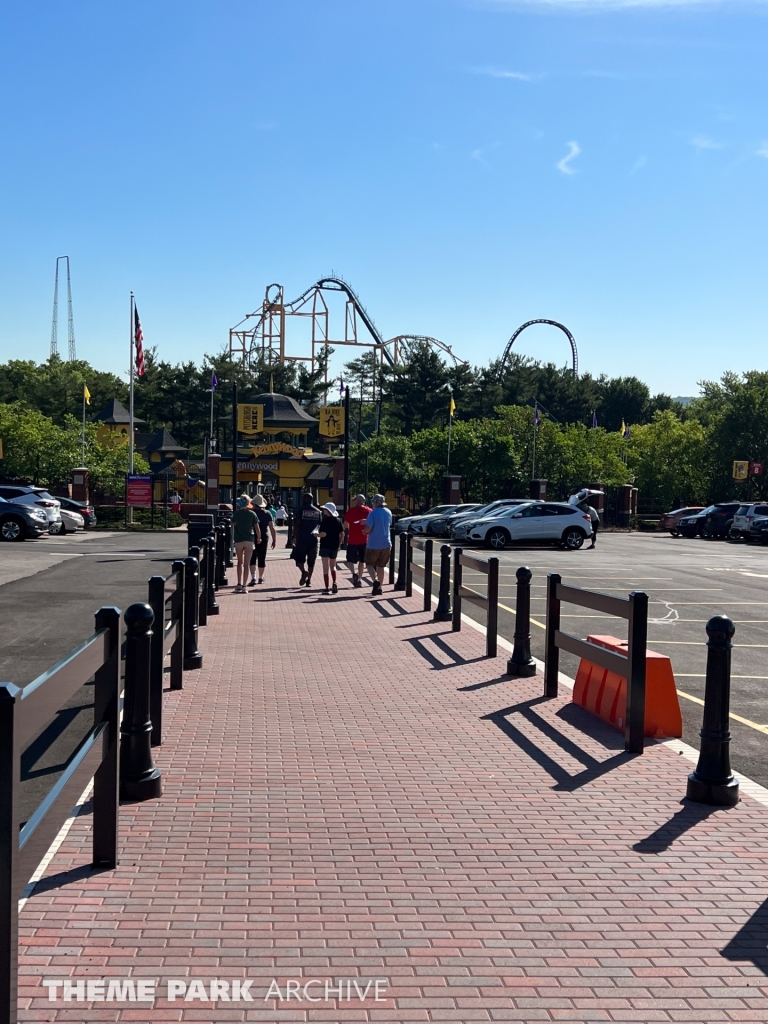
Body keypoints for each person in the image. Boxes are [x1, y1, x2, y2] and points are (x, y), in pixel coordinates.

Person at [363, 494, 393, 597]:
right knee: (381, 566)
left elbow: (368, 528)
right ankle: (380, 588)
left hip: (374, 544)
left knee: (369, 563)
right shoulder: (388, 512)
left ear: (376, 502)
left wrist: (364, 531)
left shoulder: (373, 513)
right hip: (386, 543)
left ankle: (375, 581)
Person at [292, 492, 322, 587]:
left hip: (302, 538)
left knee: (299, 558)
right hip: (313, 539)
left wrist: (294, 536)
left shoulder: (301, 509)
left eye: (303, 498)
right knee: (311, 560)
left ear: (307, 499)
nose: (301, 500)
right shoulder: (318, 511)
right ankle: (309, 580)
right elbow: (320, 525)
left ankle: (304, 572)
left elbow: (297, 523)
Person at [233, 495, 261, 593]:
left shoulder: (236, 514)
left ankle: (239, 584)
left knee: (239, 562)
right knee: (247, 564)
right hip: (249, 539)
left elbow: (232, 524)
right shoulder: (252, 514)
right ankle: (245, 586)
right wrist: (259, 538)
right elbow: (257, 528)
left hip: (239, 540)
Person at [342, 494, 371, 587]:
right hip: (364, 540)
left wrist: (351, 526)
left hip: (353, 540)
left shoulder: (351, 511)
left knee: (350, 560)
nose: (353, 502)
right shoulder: (369, 511)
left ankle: (354, 573)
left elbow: (345, 524)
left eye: (355, 500)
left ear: (357, 501)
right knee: (362, 561)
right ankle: (359, 579)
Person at [248, 494, 277, 585]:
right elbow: (272, 528)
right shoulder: (267, 513)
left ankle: (253, 577)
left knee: (252, 557)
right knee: (262, 557)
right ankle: (261, 577)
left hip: (252, 537)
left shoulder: (251, 513)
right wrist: (274, 540)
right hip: (264, 537)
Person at [318, 502, 344, 594]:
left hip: (325, 546)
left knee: (325, 568)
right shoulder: (338, 521)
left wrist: (316, 535)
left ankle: (326, 587)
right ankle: (335, 582)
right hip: (334, 546)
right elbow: (342, 534)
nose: (323, 511)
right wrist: (339, 544)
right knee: (333, 566)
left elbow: (323, 534)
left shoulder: (324, 521)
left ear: (328, 511)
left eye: (324, 509)